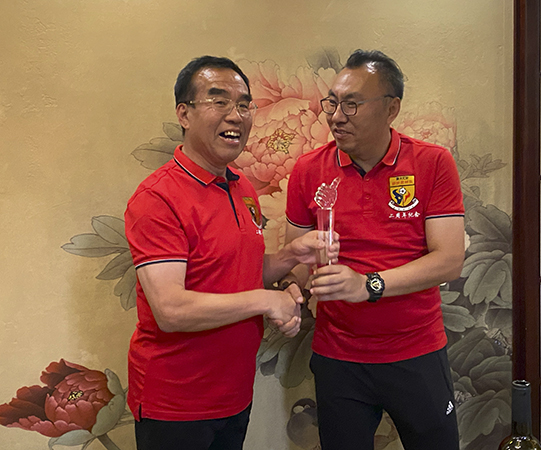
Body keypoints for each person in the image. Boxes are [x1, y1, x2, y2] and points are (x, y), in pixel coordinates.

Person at [124, 56, 338, 450]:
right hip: (175, 404)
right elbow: (170, 309)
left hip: (233, 393)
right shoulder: (158, 198)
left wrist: (291, 256)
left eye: (243, 104)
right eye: (219, 101)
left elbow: (237, 272)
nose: (236, 115)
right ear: (184, 114)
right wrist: (267, 301)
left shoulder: (241, 187)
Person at [284, 49, 465, 450]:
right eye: (332, 102)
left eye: (352, 104)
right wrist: (290, 289)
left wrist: (369, 284)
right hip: (338, 355)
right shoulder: (308, 170)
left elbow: (450, 260)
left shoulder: (432, 162)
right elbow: (297, 258)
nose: (337, 116)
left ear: (391, 108)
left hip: (416, 350)